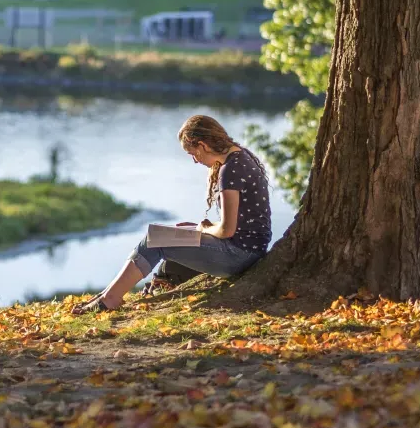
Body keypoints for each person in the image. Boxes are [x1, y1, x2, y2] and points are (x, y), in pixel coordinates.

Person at [71, 115, 273, 314]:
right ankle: (107, 295)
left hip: (239, 256)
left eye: (192, 153)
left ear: (202, 145)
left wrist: (203, 228)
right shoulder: (240, 157)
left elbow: (227, 230)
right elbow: (237, 225)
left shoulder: (230, 170)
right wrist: (195, 228)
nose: (195, 160)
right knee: (172, 232)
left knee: (154, 240)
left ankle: (109, 300)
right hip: (247, 250)